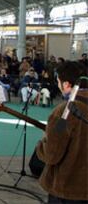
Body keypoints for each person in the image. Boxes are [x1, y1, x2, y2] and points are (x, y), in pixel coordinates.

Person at [36, 61, 88, 203]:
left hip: (67, 190)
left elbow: (52, 153)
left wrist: (41, 145)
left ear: (66, 84)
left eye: (58, 81)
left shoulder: (65, 112)